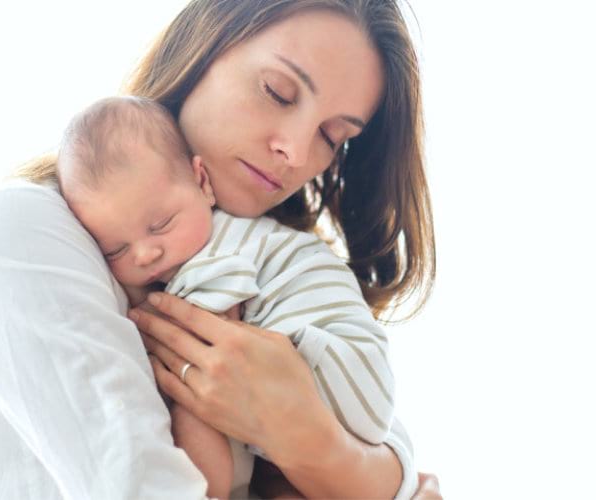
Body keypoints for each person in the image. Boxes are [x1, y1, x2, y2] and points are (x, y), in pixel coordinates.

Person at [0, 1, 439, 498]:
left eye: (332, 137)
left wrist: (306, 438)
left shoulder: (277, 267)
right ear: (202, 48)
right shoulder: (27, 232)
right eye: (277, 91)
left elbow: (388, 446)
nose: (294, 149)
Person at [52, 95, 404, 499]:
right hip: (359, 393)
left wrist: (205, 486)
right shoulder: (234, 236)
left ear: (202, 183)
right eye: (115, 250)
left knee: (194, 384)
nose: (146, 253)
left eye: (161, 224)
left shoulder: (217, 255)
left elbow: (202, 380)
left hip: (336, 367)